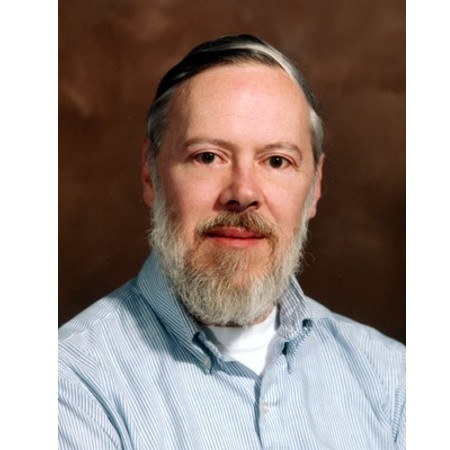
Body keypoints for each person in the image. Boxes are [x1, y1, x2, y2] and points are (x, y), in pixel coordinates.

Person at [59, 35, 405, 449]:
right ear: (150, 172)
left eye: (276, 161)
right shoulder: (69, 385)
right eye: (208, 156)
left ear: (315, 186)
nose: (242, 192)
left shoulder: (395, 382)